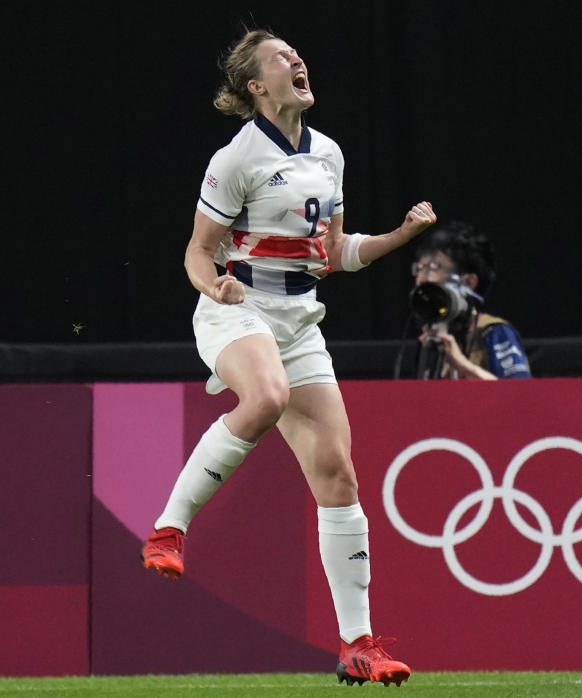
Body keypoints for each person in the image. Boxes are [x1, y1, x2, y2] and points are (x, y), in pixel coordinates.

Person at [138, 29, 435, 687]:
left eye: (297, 53)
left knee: (338, 475)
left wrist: (402, 234)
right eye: (281, 58)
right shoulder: (236, 158)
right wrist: (209, 282)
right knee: (266, 398)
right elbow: (195, 250)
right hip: (236, 305)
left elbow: (333, 258)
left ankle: (358, 645)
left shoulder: (327, 154)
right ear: (256, 86)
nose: (297, 59)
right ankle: (168, 530)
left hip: (300, 322)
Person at [409, 221, 531, 380]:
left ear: (468, 282)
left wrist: (463, 365)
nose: (421, 279)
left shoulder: (494, 332)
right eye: (419, 268)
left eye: (433, 267)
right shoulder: (429, 341)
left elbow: (521, 396)